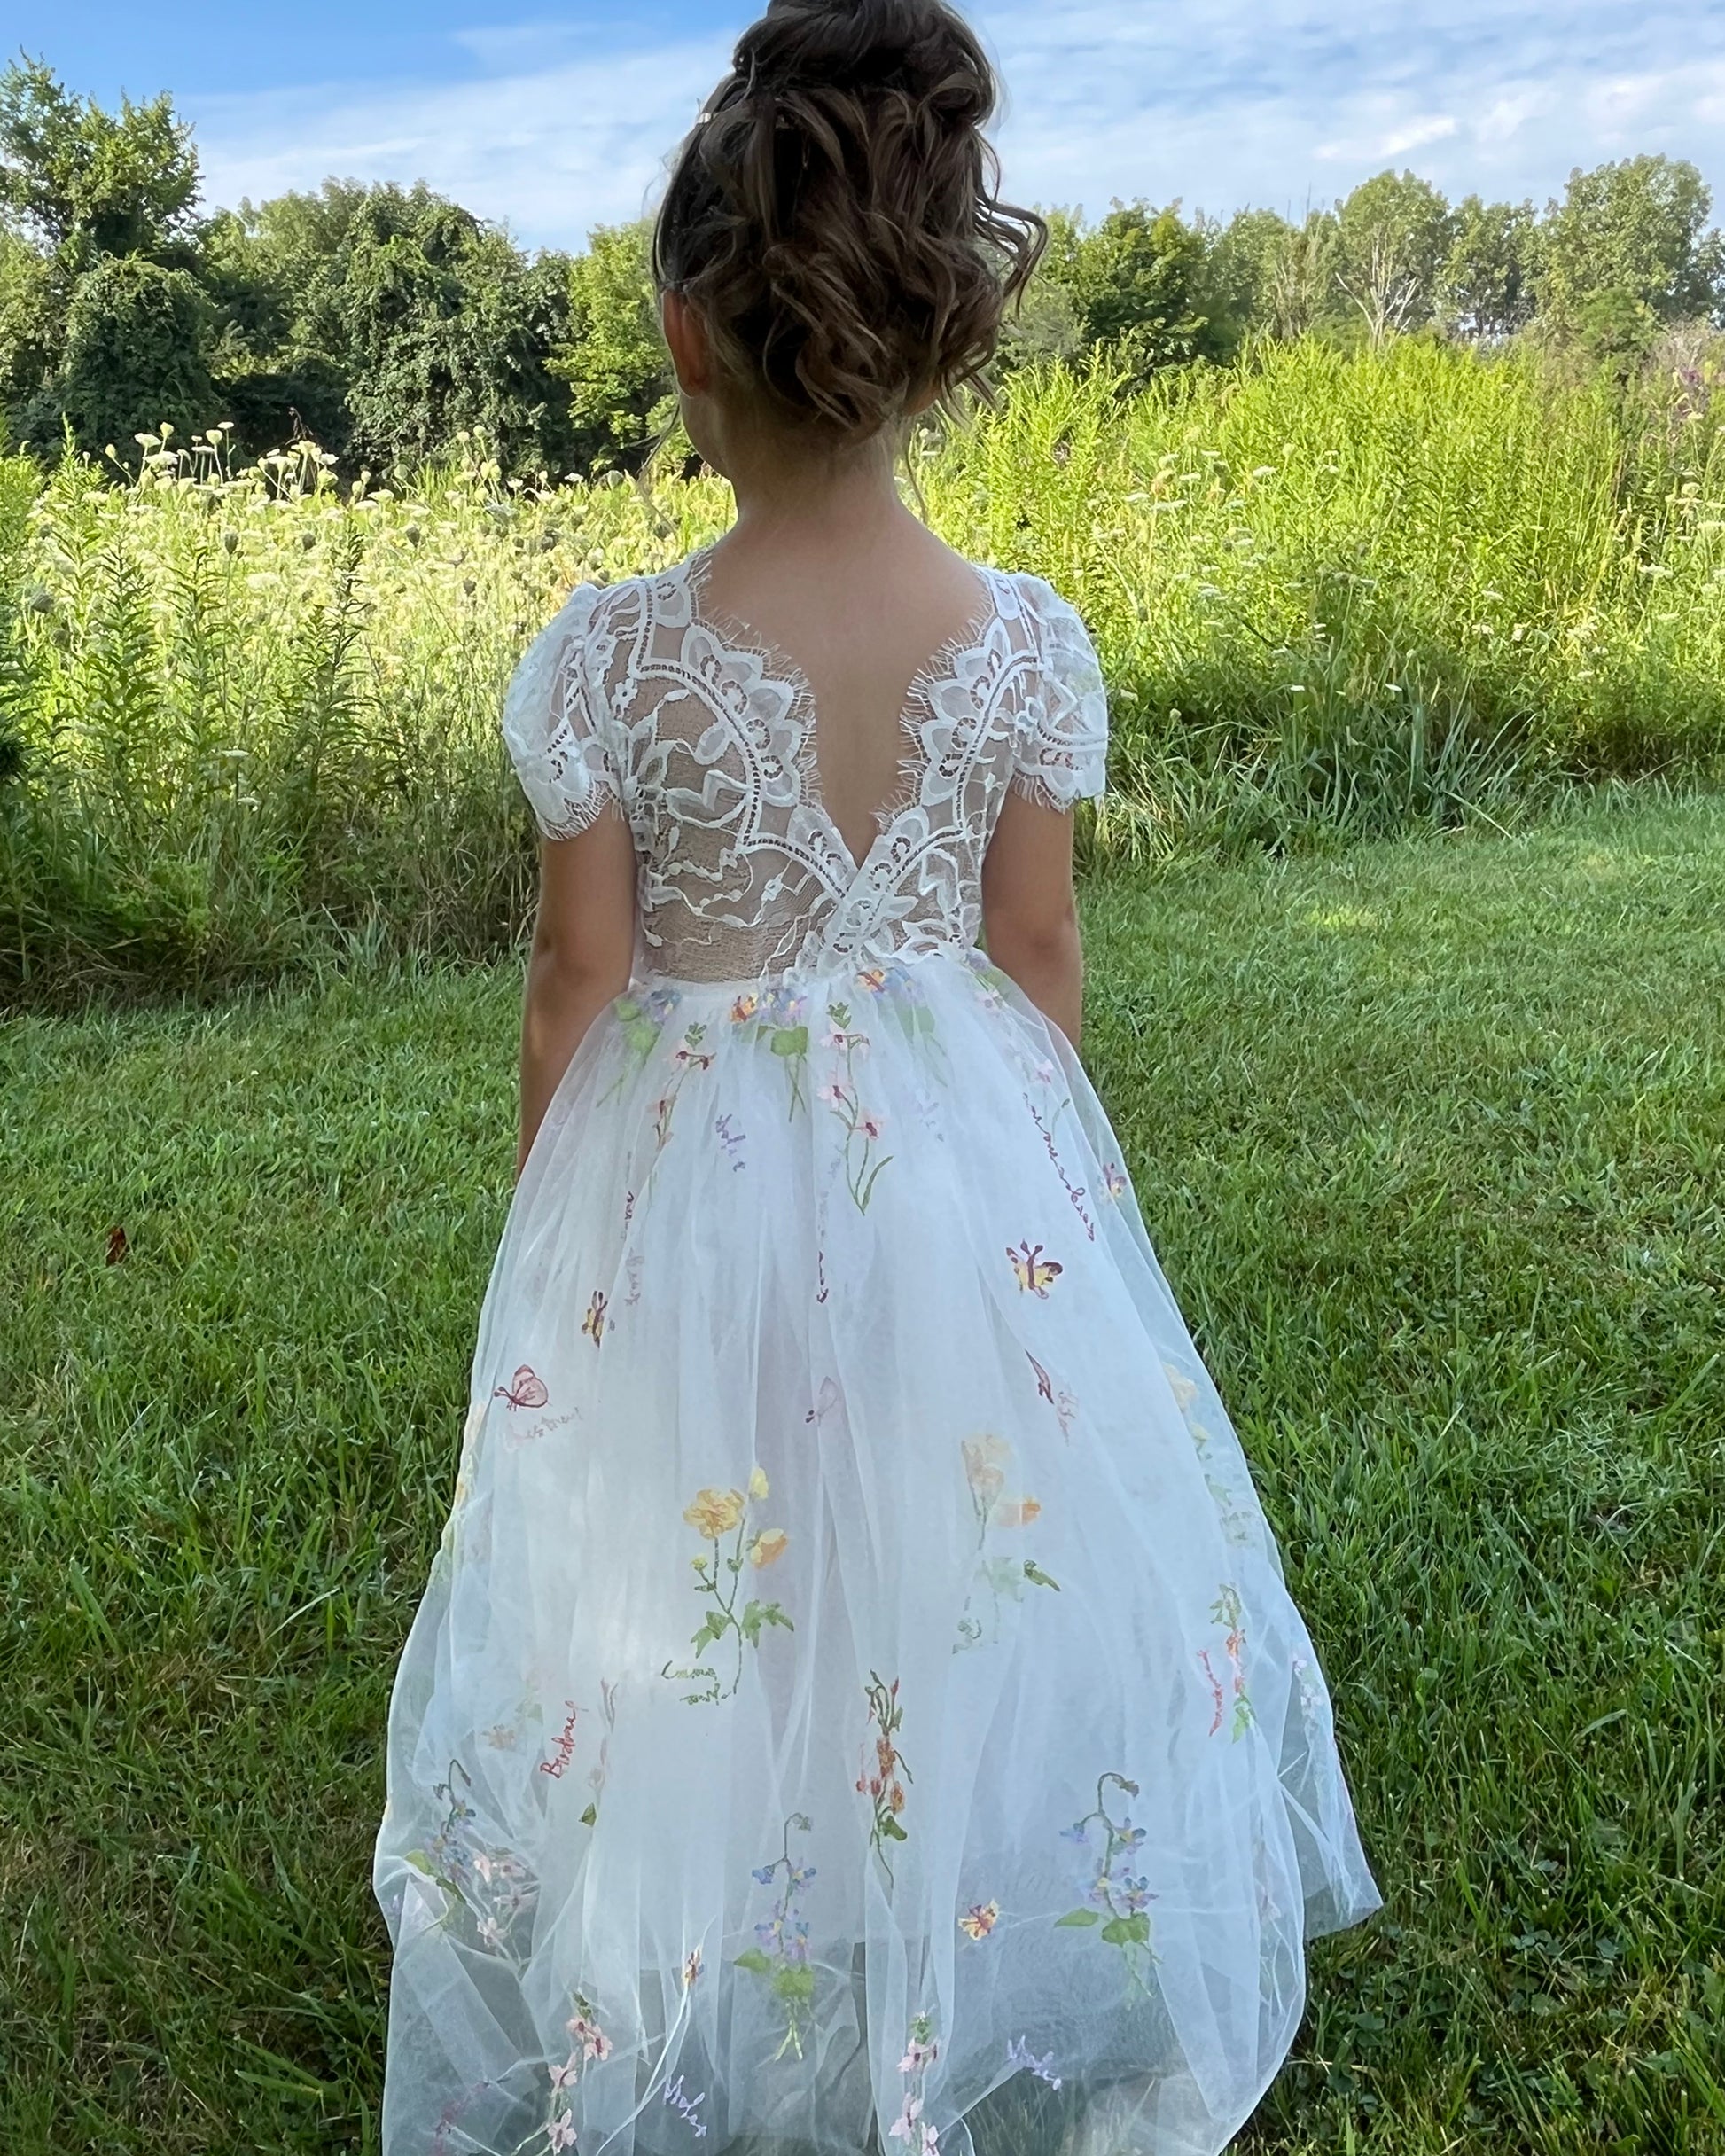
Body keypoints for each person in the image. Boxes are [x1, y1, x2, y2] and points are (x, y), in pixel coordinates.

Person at [371, 4, 1381, 2151]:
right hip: (955, 1166)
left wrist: (559, 1230)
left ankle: (720, 1921)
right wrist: (1036, 1196)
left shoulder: (611, 652)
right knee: (938, 1531)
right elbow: (1035, 949)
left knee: (708, 1550)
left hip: (688, 1181)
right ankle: (936, 1893)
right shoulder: (1019, 637)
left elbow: (578, 978)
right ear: (933, 346)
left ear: (683, 336)